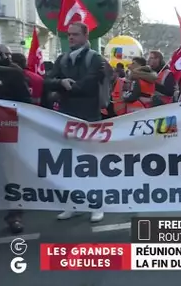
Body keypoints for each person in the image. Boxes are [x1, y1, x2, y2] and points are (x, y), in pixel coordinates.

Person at [43, 22, 106, 223]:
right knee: (70, 164)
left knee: (91, 166)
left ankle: (97, 205)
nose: (70, 38)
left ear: (86, 36)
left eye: (75, 34)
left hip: (89, 118)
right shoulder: (62, 59)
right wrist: (61, 83)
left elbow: (87, 85)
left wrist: (64, 86)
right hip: (66, 117)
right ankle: (74, 204)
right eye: (69, 34)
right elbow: (46, 80)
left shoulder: (95, 58)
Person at [0, 31, 32, 269]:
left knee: (5, 176)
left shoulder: (11, 72)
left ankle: (14, 214)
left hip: (3, 135)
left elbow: (25, 103)